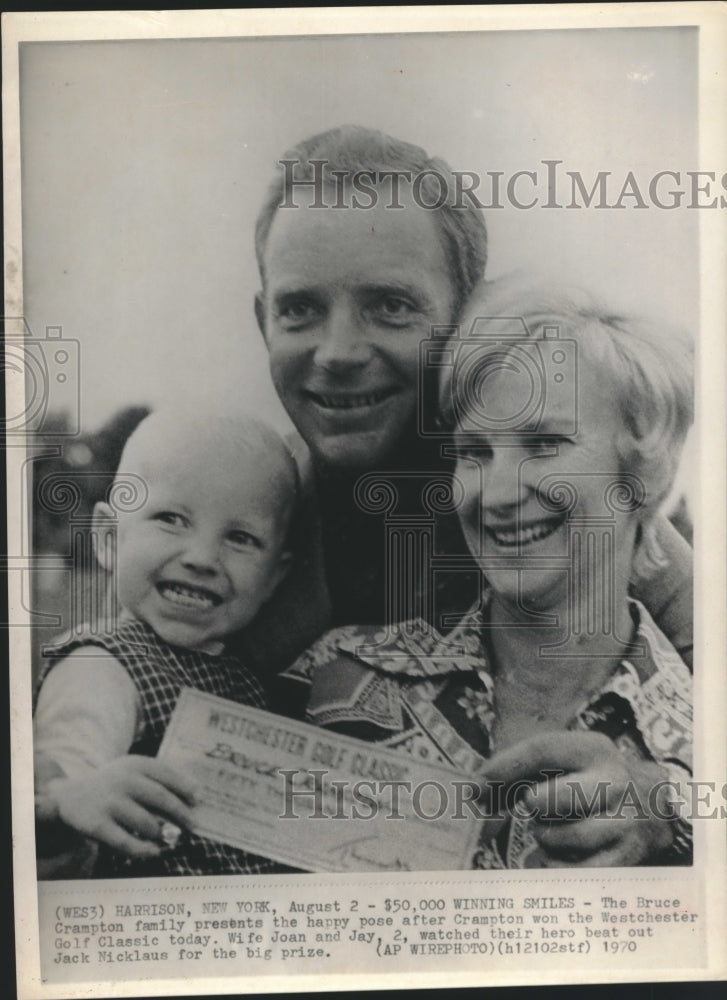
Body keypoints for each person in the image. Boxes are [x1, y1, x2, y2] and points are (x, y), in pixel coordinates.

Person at [241, 124, 692, 681]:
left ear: (467, 316)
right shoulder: (238, 500)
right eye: (299, 309)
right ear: (263, 323)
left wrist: (654, 773)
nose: (338, 353)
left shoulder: (575, 509)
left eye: (389, 305)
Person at [281, 278, 693, 868]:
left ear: (642, 473)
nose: (497, 493)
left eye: (545, 442)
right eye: (475, 451)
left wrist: (682, 825)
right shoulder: (335, 679)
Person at [33, 410, 296, 877]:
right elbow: (59, 777)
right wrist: (71, 798)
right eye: (171, 519)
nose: (201, 558)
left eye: (240, 538)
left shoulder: (250, 679)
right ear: (109, 539)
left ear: (275, 577)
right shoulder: (103, 666)